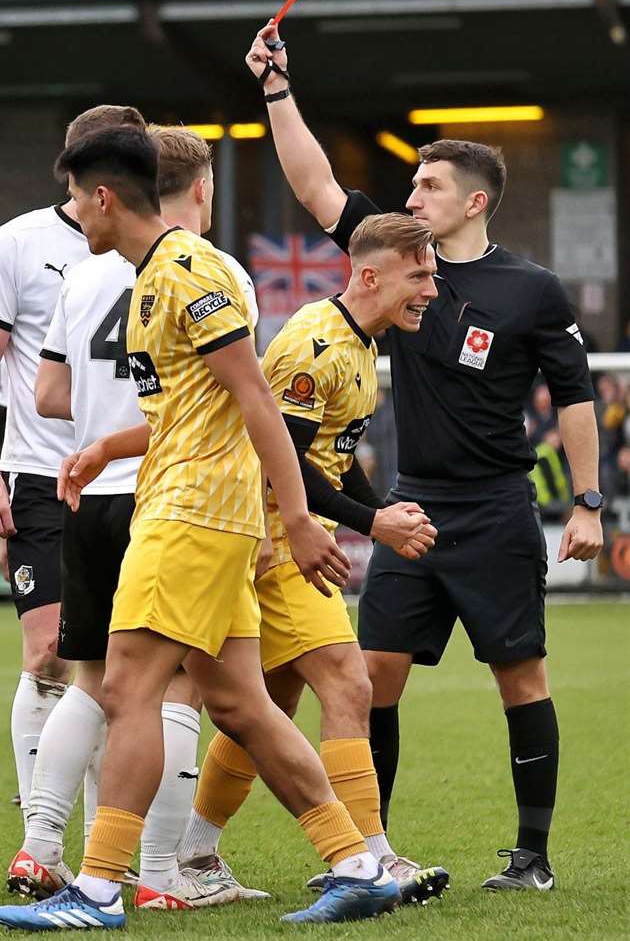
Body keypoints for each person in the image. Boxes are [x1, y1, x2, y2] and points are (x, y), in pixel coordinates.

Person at [0, 127, 397, 931]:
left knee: (127, 688)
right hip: (186, 504)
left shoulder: (190, 270)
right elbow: (191, 407)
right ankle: (358, 863)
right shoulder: (146, 278)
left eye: (77, 198)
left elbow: (257, 401)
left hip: (195, 513)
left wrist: (296, 517)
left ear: (104, 197)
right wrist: (109, 442)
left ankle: (100, 886)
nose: (74, 213)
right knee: (243, 706)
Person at [251, 17, 601, 890]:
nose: (414, 193)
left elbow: (578, 396)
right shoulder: (396, 260)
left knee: (520, 679)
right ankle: (379, 852)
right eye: (413, 181)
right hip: (411, 504)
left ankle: (533, 857)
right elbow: (313, 183)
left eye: (430, 184)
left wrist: (589, 503)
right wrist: (275, 88)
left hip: (496, 509)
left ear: (474, 201)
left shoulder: (530, 289)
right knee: (371, 680)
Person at [5, 124, 263, 907]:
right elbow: (242, 393)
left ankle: (40, 846)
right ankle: (153, 874)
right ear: (198, 188)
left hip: (88, 491)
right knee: (176, 688)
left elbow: (47, 395)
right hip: (174, 493)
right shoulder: (221, 275)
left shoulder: (88, 273)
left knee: (90, 684)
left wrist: (103, 417)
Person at [175, 213, 450, 907]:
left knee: (263, 707)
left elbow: (331, 453)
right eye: (419, 275)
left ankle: (196, 853)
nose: (431, 290)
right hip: (270, 540)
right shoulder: (312, 343)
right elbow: (282, 462)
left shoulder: (360, 345)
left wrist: (380, 510)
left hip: (288, 539)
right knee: (348, 684)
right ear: (369, 275)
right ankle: (371, 857)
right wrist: (371, 523)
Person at [0, 104, 148, 823]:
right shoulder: (18, 242)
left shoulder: (155, 247)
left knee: (122, 664)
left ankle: (110, 837)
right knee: (48, 651)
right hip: (41, 474)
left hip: (133, 474)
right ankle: (39, 830)